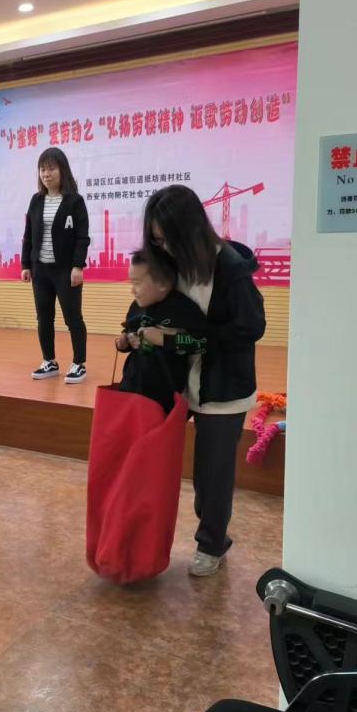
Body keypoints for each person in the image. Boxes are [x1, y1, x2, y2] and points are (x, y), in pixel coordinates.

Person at [141, 184, 266, 577]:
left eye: (166, 239)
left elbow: (250, 328)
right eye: (156, 240)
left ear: (189, 230)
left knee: (212, 477)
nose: (162, 247)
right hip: (181, 382)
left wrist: (185, 339)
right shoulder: (170, 265)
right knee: (168, 467)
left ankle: (212, 544)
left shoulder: (230, 268)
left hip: (224, 389)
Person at [20, 147, 91, 385]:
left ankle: (79, 363)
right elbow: (28, 234)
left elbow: (82, 237)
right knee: (43, 318)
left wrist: (78, 266)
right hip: (41, 270)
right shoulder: (36, 200)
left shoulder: (75, 201)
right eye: (42, 169)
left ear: (62, 171)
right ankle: (49, 361)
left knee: (73, 318)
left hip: (66, 271)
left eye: (51, 169)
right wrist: (25, 264)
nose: (46, 174)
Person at [115, 250, 210, 414]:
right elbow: (130, 330)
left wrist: (164, 339)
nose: (132, 290)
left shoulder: (183, 309)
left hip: (164, 395)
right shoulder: (137, 306)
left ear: (162, 283)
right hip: (131, 386)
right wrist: (125, 342)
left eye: (137, 283)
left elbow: (202, 343)